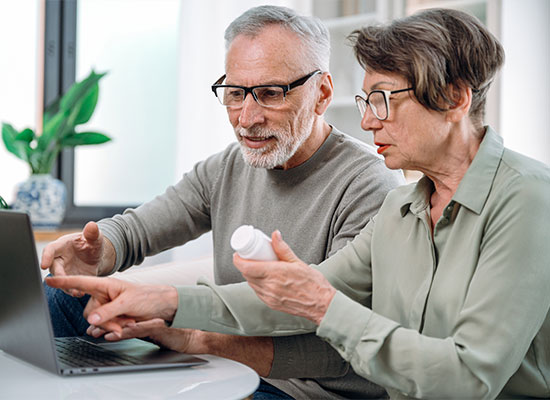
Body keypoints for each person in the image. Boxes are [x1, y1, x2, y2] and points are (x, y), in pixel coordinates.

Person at [47, 7, 550, 400]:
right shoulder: (407, 209)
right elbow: (296, 294)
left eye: (383, 100)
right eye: (366, 103)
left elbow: (465, 378)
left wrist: (310, 307)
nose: (370, 121)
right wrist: (169, 304)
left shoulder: (527, 198)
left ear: (455, 98)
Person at [42, 5, 404, 400]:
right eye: (234, 93)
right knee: (60, 297)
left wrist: (197, 334)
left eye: (270, 93)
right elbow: (138, 230)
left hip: (302, 389)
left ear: (322, 93)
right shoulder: (226, 168)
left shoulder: (369, 184)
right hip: (223, 364)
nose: (247, 118)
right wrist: (96, 250)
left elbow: (340, 344)